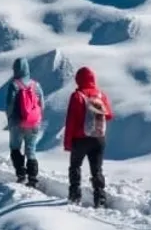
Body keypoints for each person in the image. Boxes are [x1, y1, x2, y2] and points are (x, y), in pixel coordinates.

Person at [64, 66, 113, 207]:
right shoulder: (100, 95)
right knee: (97, 169)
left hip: (80, 139)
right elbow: (109, 115)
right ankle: (100, 198)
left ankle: (74, 196)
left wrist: (68, 143)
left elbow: (71, 121)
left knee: (75, 166)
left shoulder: (77, 96)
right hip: (98, 138)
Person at [4, 57, 44, 187]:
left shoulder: (14, 85)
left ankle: (21, 174)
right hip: (33, 123)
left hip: (17, 122)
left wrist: (9, 118)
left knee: (15, 148)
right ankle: (33, 178)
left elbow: (10, 105)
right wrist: (36, 117)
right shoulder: (36, 85)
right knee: (31, 150)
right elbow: (41, 104)